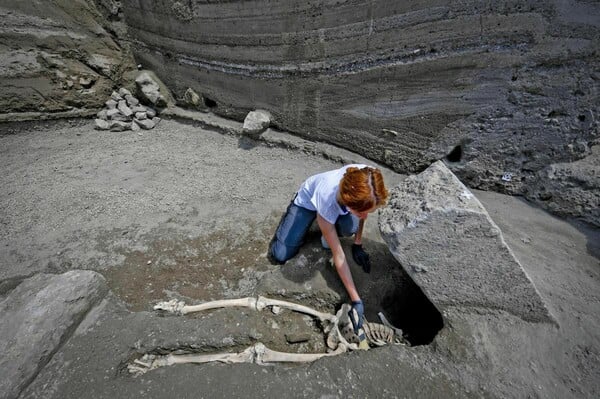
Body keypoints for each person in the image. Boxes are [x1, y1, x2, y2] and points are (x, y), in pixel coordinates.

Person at [268, 164, 389, 333]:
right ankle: (304, 221)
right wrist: (356, 300)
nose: (365, 216)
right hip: (307, 202)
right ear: (348, 201)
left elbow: (364, 211)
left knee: (349, 228)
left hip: (339, 206)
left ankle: (330, 226)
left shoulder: (369, 177)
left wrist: (358, 243)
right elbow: (338, 256)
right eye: (360, 211)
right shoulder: (326, 198)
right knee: (280, 254)